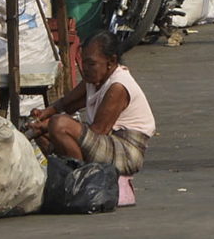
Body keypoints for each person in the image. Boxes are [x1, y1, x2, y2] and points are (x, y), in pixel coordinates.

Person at [30, 32, 155, 175]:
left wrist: (48, 125)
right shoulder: (93, 80)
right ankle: (70, 174)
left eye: (91, 64)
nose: (85, 68)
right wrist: (42, 115)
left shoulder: (118, 87)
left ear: (111, 62)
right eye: (83, 63)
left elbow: (98, 130)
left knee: (59, 124)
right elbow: (66, 104)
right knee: (41, 133)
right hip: (104, 141)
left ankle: (81, 177)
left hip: (126, 152)